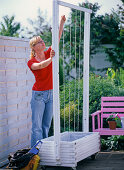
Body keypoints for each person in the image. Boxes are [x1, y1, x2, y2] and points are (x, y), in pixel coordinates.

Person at [27, 15, 66, 147]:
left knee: (46, 125)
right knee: (36, 127)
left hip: (51, 93)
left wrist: (61, 22)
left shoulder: (49, 51)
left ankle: (45, 151)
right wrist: (51, 59)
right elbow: (41, 66)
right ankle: (35, 152)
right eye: (39, 42)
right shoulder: (31, 61)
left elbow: (58, 37)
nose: (43, 42)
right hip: (38, 95)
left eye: (42, 40)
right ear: (33, 47)